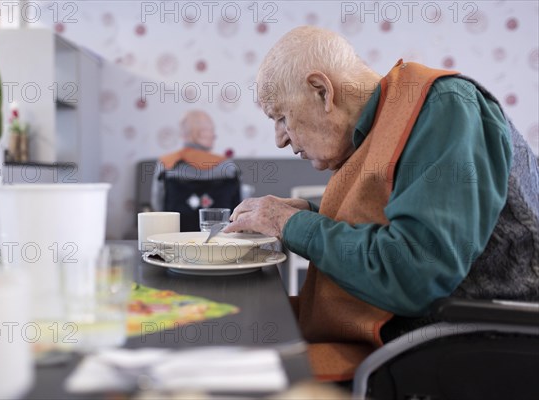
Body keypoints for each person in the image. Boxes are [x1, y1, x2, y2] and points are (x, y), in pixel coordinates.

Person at [224, 26, 539, 380]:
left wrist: (291, 224)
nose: (280, 139)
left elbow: (415, 273)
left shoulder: (447, 105)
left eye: (281, 117)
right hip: (427, 339)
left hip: (478, 350)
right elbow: (398, 236)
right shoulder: (380, 128)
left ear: (322, 90)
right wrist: (311, 216)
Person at [151, 110, 240, 229]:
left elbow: (158, 206)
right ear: (200, 134)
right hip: (219, 236)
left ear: (183, 134)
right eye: (211, 131)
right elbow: (238, 210)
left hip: (176, 236)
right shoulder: (229, 167)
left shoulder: (166, 164)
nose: (214, 136)